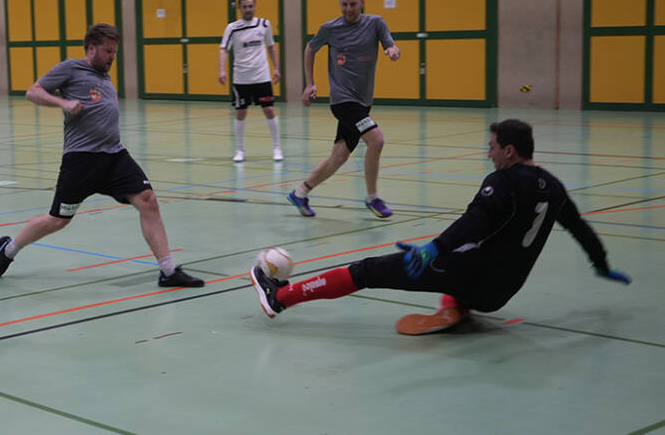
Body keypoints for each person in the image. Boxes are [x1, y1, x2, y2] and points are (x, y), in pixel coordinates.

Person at [251, 119, 632, 334]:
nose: (489, 151)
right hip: (502, 292)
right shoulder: (555, 186)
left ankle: (278, 298)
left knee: (367, 271)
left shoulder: (503, 181)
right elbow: (580, 229)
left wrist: (434, 248)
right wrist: (600, 264)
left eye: (493, 146)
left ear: (510, 152)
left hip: (470, 276)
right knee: (470, 262)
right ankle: (456, 305)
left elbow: (473, 222)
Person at [0, 23, 204, 288]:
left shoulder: (104, 75)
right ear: (91, 48)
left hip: (115, 156)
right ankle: (9, 250)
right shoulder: (71, 68)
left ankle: (168, 271)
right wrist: (64, 103)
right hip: (81, 160)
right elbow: (33, 92)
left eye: (114, 52)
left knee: (148, 200)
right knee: (57, 220)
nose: (112, 57)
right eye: (107, 51)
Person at [293, 0, 400, 219]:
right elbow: (310, 49)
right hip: (343, 101)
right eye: (344, 4)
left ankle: (300, 193)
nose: (348, 9)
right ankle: (372, 197)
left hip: (362, 102)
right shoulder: (330, 29)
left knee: (339, 156)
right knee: (377, 140)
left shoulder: (375, 23)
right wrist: (310, 83)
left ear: (362, 2)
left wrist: (393, 51)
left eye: (353, 4)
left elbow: (390, 44)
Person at [218, 0, 282, 163]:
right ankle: (239, 150)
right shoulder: (232, 28)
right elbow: (223, 49)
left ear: (255, 6)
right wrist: (221, 70)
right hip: (241, 78)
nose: (248, 9)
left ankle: (276, 148)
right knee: (240, 112)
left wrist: (276, 68)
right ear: (239, 8)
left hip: (262, 76)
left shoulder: (264, 24)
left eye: (250, 6)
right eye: (244, 7)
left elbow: (271, 47)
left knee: (269, 110)